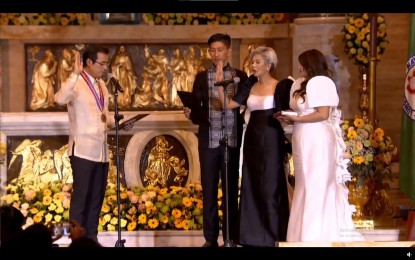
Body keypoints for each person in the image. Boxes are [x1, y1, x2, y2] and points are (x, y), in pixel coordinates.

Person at [281, 49, 364, 242]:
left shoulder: (323, 82)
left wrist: (298, 117)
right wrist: (288, 118)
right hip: (301, 137)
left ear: (310, 64)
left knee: (316, 184)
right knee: (303, 184)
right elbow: (301, 111)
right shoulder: (299, 84)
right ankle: (299, 236)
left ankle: (315, 236)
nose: (299, 66)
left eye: (301, 63)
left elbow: (322, 114)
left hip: (318, 138)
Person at [54, 45, 133, 243]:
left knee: (96, 198)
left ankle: (91, 239)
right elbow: (59, 99)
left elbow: (103, 118)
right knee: (80, 199)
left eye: (107, 63)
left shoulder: (102, 86)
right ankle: (74, 240)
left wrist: (119, 124)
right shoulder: (76, 83)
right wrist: (73, 75)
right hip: (82, 150)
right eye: (102, 63)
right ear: (89, 63)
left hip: (101, 151)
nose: (105, 67)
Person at [217, 46, 291, 247]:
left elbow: (289, 113)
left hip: (272, 138)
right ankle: (252, 236)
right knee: (251, 182)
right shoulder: (249, 84)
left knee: (271, 185)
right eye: (252, 62)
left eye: (258, 62)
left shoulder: (280, 86)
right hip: (251, 139)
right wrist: (219, 80)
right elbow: (229, 105)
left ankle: (274, 235)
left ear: (269, 65)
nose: (253, 65)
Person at [184, 33, 248, 247]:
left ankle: (230, 237)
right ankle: (210, 239)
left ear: (228, 50)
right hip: (208, 141)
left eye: (220, 50)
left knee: (230, 191)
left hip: (231, 140)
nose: (216, 54)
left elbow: (244, 105)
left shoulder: (240, 76)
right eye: (212, 50)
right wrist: (190, 111)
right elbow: (196, 111)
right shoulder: (202, 77)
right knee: (209, 191)